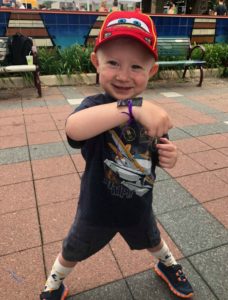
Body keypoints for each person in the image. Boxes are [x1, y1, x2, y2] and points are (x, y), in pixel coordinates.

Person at [39, 11, 194, 300]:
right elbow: (74, 128)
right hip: (96, 208)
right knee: (72, 248)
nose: (123, 75)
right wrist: (132, 107)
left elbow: (158, 151)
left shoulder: (152, 114)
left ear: (151, 71)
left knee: (153, 238)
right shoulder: (96, 106)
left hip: (139, 205)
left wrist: (169, 154)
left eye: (136, 66)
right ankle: (55, 281)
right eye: (113, 63)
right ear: (96, 63)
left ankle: (168, 265)